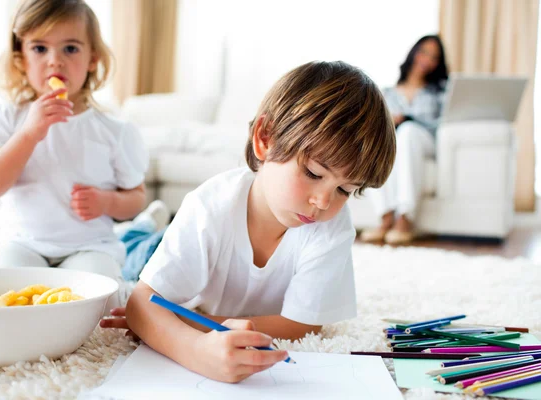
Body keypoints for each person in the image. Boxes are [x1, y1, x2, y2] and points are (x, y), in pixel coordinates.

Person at [101, 61, 396, 383]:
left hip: (201, 280)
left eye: (345, 190)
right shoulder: (209, 206)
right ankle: (145, 225)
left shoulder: (331, 226)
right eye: (313, 173)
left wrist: (199, 322)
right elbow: (142, 302)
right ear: (265, 138)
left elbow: (304, 324)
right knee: (133, 252)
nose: (323, 202)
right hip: (169, 250)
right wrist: (197, 350)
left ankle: (149, 225)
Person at [0, 0, 148, 309]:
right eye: (39, 49)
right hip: (20, 242)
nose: (55, 61)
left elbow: (136, 196)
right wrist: (28, 134)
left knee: (104, 303)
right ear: (20, 59)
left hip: (88, 247)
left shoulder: (113, 130)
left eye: (71, 49)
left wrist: (107, 201)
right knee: (1, 298)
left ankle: (138, 237)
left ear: (93, 59)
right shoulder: (5, 119)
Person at [360, 34, 449, 245]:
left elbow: (442, 122)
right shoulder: (387, 93)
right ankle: (386, 215)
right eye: (424, 52)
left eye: (434, 57)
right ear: (414, 53)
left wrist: (409, 118)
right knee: (378, 141)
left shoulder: (439, 92)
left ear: (438, 64)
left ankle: (405, 218)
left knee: (408, 131)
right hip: (395, 140)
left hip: (424, 140)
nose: (427, 59)